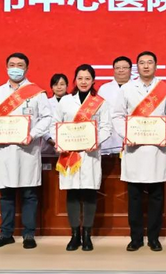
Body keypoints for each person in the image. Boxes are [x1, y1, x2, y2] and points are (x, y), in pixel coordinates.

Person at [111, 51, 166, 252]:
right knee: (134, 197)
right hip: (134, 149)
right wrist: (127, 134)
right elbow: (117, 116)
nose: (146, 66)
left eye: (150, 62)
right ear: (137, 67)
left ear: (156, 66)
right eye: (142, 63)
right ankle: (135, 238)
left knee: (156, 197)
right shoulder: (127, 89)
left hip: (156, 149)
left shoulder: (164, 89)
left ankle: (154, 238)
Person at [0, 53, 52, 249]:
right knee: (6, 194)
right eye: (12, 64)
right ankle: (5, 233)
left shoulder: (37, 93)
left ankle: (29, 234)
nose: (15, 68)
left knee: (29, 194)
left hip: (27, 150)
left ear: (26, 69)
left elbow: (47, 118)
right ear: (6, 67)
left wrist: (32, 134)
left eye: (20, 65)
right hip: (4, 150)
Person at [53, 64, 112, 251]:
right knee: (72, 194)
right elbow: (55, 125)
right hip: (69, 154)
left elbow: (106, 127)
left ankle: (87, 235)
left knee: (89, 193)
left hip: (89, 154)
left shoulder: (100, 102)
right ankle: (74, 236)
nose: (83, 82)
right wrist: (60, 141)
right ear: (75, 80)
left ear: (93, 81)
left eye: (87, 78)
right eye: (80, 78)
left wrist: (95, 141)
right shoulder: (65, 101)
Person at [97, 56, 133, 155]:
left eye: (124, 67)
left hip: (132, 136)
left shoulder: (136, 88)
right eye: (117, 68)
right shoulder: (104, 89)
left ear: (131, 69)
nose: (121, 70)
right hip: (109, 138)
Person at [43, 74, 68, 155]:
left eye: (62, 84)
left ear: (67, 86)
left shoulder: (73, 103)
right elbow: (42, 125)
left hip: (69, 143)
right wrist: (52, 141)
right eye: (55, 84)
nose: (59, 87)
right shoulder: (46, 103)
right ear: (52, 87)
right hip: (49, 146)